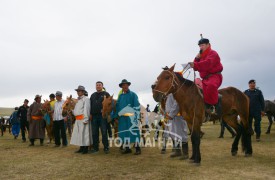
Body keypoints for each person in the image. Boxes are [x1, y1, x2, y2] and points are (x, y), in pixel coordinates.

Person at [188, 35, 223, 115]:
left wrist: (195, 64)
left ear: (208, 45)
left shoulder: (213, 53)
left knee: (211, 86)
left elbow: (208, 63)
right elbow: (195, 68)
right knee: (195, 87)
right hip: (204, 79)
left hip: (215, 76)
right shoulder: (200, 56)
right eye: (200, 46)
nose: (201, 47)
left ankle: (214, 105)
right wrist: (196, 59)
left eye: (202, 45)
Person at [114, 79, 141, 155]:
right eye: (123, 85)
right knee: (124, 133)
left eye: (126, 85)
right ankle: (127, 148)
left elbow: (136, 105)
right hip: (122, 119)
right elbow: (118, 107)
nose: (125, 86)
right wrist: (115, 116)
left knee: (134, 132)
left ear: (128, 85)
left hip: (131, 117)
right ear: (121, 87)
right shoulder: (120, 96)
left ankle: (137, 149)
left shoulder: (133, 95)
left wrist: (136, 116)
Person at [165, 93, 189, 160]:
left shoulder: (175, 93)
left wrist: (171, 114)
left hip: (178, 116)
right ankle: (177, 151)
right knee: (173, 134)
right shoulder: (168, 94)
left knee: (181, 134)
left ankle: (185, 153)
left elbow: (177, 104)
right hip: (170, 117)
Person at [70, 85, 92, 154]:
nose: (78, 92)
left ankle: (85, 148)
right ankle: (81, 147)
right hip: (78, 119)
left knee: (85, 134)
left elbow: (86, 109)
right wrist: (72, 111)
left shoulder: (86, 99)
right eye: (77, 91)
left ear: (83, 92)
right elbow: (77, 110)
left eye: (79, 91)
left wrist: (86, 119)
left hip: (83, 119)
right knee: (79, 134)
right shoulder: (78, 100)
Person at [90, 81, 110, 154]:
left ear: (102, 86)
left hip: (102, 116)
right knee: (94, 133)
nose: (98, 86)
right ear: (95, 86)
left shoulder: (106, 94)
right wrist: (90, 114)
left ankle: (106, 147)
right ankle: (96, 148)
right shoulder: (92, 95)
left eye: (99, 85)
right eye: (97, 85)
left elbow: (109, 104)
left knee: (104, 132)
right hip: (94, 116)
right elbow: (90, 106)